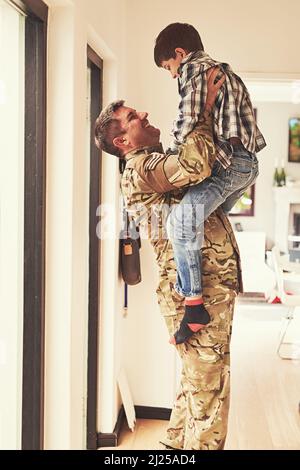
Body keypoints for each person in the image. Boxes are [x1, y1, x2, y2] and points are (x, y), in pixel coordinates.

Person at [94, 68, 243, 450]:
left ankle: (174, 447)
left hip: (203, 286)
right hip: (196, 292)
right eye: (132, 117)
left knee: (197, 383)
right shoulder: (144, 169)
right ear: (123, 140)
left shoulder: (153, 164)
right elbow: (197, 164)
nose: (143, 114)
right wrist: (205, 105)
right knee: (209, 392)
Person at [154, 22, 265, 344]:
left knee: (181, 223)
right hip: (245, 166)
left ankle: (193, 305)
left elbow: (187, 121)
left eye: (168, 67)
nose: (173, 75)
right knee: (207, 219)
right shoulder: (223, 71)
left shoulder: (196, 71)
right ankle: (198, 291)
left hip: (230, 167)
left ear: (179, 54)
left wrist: (175, 148)